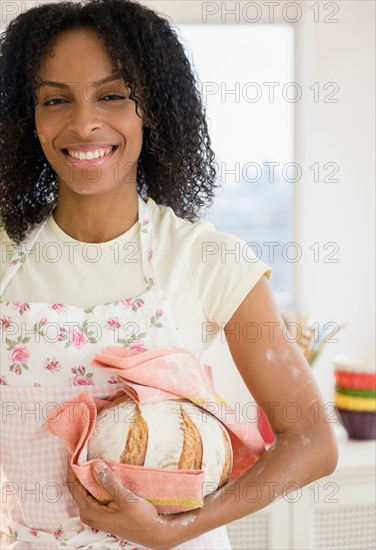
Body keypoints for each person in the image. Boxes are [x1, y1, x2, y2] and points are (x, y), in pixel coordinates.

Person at [0, 0, 339, 548]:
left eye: (112, 95)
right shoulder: (5, 256)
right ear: (28, 118)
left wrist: (177, 529)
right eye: (55, 99)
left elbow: (312, 441)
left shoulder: (209, 259)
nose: (83, 122)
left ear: (151, 109)